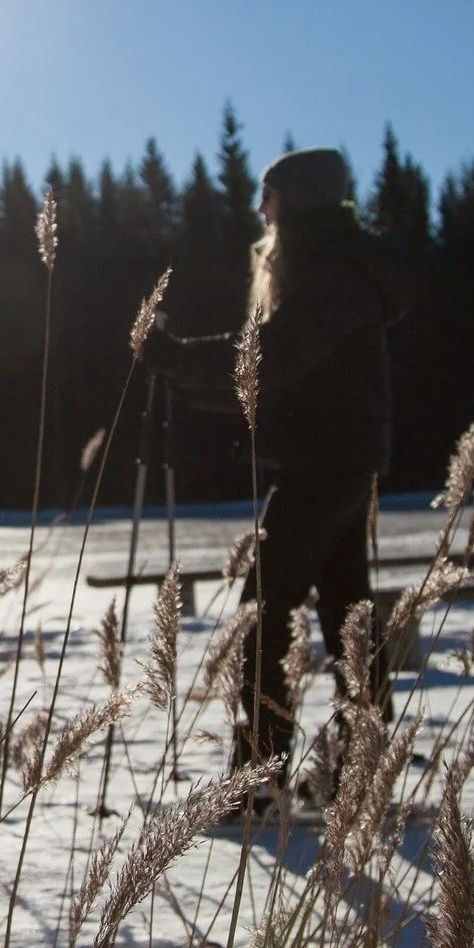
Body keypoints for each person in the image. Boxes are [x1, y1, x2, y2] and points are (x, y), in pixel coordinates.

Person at [145, 146, 397, 787]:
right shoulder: (328, 267)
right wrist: (181, 369)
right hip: (331, 458)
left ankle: (260, 778)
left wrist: (179, 358)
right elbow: (271, 368)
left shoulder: (333, 274)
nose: (262, 209)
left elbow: (273, 359)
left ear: (298, 201)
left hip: (328, 462)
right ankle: (359, 768)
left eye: (271, 196)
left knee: (266, 604)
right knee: (348, 611)